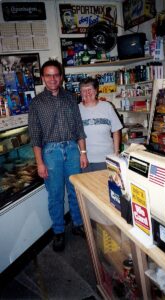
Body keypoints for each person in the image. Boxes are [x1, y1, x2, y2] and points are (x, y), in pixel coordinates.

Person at [28, 59, 88, 252]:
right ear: (43, 78)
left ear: (61, 77)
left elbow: (79, 127)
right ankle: (59, 231)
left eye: (56, 75)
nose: (52, 79)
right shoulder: (36, 103)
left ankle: (77, 224)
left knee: (74, 191)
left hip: (72, 150)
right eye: (48, 75)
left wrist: (83, 152)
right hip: (51, 153)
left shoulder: (71, 98)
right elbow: (35, 136)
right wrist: (40, 163)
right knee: (55, 195)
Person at [79, 77, 123, 172]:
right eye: (84, 90)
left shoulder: (107, 106)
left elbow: (116, 130)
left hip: (106, 158)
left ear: (96, 91)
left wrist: (116, 152)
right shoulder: (76, 109)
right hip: (85, 160)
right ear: (80, 93)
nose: (87, 93)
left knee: (105, 186)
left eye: (90, 89)